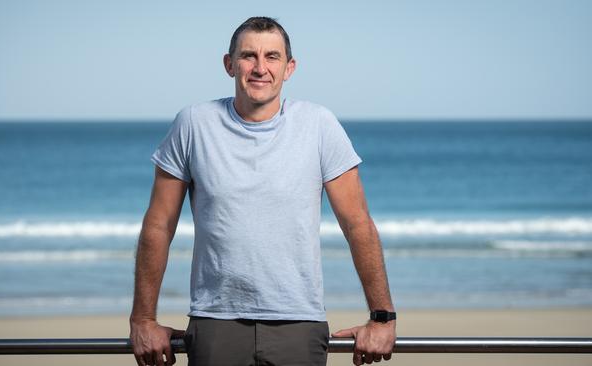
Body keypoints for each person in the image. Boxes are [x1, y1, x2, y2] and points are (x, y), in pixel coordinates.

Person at [129, 16, 396, 366]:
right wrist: (143, 319)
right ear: (229, 64)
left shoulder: (319, 125)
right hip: (215, 321)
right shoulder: (193, 123)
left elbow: (357, 223)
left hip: (299, 322)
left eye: (272, 57)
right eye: (248, 56)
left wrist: (382, 318)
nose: (260, 68)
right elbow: (159, 225)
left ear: (289, 68)